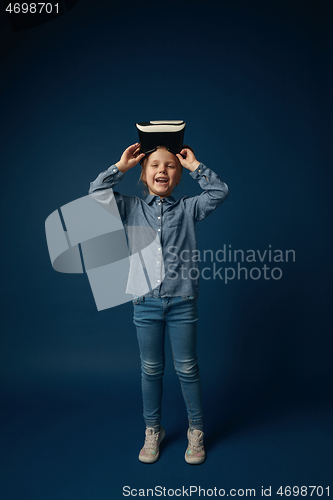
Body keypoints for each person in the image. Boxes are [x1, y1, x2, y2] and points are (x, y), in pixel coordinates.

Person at [89, 141, 229, 464]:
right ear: (143, 173)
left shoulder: (188, 209)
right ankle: (153, 430)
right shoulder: (131, 208)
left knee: (187, 368)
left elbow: (219, 192)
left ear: (178, 176)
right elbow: (96, 194)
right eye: (154, 165)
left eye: (170, 166)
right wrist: (119, 168)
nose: (162, 171)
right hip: (145, 304)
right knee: (151, 370)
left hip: (182, 301)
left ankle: (196, 431)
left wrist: (196, 167)